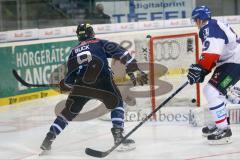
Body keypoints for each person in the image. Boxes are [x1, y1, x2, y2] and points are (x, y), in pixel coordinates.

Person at [40, 23, 148, 153]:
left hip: (81, 84)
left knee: (68, 112)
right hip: (102, 79)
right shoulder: (98, 43)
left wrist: (67, 84)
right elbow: (122, 52)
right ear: (91, 33)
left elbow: (69, 80)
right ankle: (118, 136)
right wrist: (135, 69)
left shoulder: (73, 51)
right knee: (117, 103)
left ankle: (48, 139)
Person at [187, 5, 240, 144]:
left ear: (199, 20)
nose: (195, 24)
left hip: (235, 62)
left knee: (211, 91)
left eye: (195, 20)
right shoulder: (214, 24)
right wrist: (203, 70)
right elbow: (214, 54)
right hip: (229, 61)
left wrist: (201, 68)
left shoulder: (208, 28)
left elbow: (211, 54)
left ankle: (224, 130)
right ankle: (219, 124)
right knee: (217, 93)